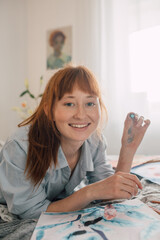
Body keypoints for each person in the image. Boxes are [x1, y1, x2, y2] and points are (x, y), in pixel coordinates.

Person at [0, 65, 150, 219]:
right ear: (49, 110)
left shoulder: (94, 141)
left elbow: (110, 190)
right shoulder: (20, 147)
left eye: (90, 103)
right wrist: (90, 192)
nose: (81, 114)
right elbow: (30, 213)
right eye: (69, 104)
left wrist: (128, 149)